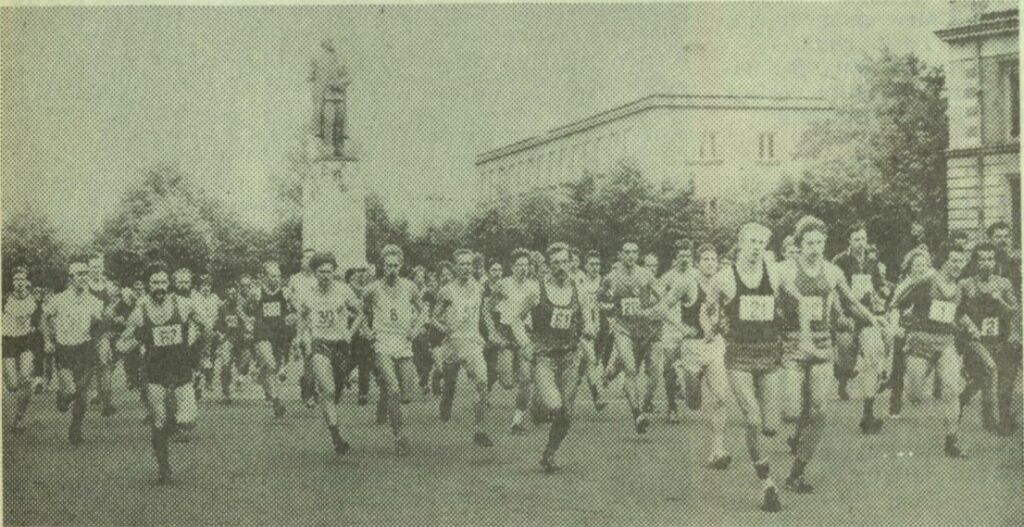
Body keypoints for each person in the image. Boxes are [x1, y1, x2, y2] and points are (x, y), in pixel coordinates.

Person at [777, 216, 883, 494]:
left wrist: (873, 318)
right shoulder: (786, 270)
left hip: (823, 344)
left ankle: (796, 473)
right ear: (799, 245)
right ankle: (798, 429)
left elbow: (850, 300)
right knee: (791, 411)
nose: (815, 248)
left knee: (820, 411)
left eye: (820, 242)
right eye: (809, 243)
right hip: (793, 343)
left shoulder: (832, 271)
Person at [703, 223, 783, 513]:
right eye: (751, 241)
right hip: (738, 356)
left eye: (762, 241)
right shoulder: (724, 277)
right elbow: (708, 307)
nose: (756, 246)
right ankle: (767, 484)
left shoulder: (775, 272)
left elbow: (794, 295)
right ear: (740, 242)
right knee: (752, 417)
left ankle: (765, 463)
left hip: (769, 354)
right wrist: (710, 328)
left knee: (771, 426)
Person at [118, 261, 209, 484]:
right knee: (158, 421)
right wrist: (136, 339)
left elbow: (207, 327)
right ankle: (164, 467)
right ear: (148, 285)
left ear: (169, 283)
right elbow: (122, 344)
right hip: (154, 370)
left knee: (187, 421)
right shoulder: (140, 311)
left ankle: (174, 421)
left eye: (162, 281)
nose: (159, 286)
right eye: (154, 282)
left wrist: (198, 348)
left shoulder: (184, 305)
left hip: (180, 368)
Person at [889, 242, 974, 458]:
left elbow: (959, 313)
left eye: (961, 260)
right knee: (914, 395)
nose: (957, 265)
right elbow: (897, 302)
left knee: (951, 389)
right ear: (943, 261)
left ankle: (951, 441)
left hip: (945, 341)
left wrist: (970, 325)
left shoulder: (961, 287)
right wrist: (895, 324)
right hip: (920, 340)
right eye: (953, 260)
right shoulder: (927, 281)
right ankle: (913, 385)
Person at [517, 243, 590, 472]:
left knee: (566, 413)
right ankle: (538, 403)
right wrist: (525, 343)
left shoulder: (580, 289)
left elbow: (588, 317)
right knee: (555, 405)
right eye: (555, 262)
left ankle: (549, 453)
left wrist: (589, 327)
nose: (560, 266)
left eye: (564, 261)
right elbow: (514, 318)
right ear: (549, 266)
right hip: (545, 357)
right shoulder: (536, 290)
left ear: (571, 263)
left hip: (569, 357)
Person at [296, 252, 363, 455]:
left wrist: (350, 334)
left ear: (334, 272)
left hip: (341, 346)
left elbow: (360, 312)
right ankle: (336, 437)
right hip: (320, 344)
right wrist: (301, 338)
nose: (326, 275)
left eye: (329, 271)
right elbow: (303, 317)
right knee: (328, 390)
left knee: (337, 391)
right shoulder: (308, 293)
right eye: (321, 272)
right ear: (314, 273)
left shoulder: (344, 290)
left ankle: (331, 418)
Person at [362, 245, 425, 456]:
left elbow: (424, 310)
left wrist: (415, 330)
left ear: (401, 265)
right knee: (394, 389)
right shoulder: (372, 288)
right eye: (388, 265)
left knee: (406, 395)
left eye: (395, 265)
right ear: (382, 266)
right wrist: (366, 331)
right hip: (382, 342)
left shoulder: (410, 287)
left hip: (403, 342)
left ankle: (385, 402)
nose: (392, 269)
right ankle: (399, 436)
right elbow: (358, 313)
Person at [431, 248, 495, 448]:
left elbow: (483, 312)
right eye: (462, 264)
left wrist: (489, 332)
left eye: (469, 264)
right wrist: (445, 329)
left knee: (482, 382)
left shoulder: (478, 287)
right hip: (452, 343)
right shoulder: (447, 290)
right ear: (455, 267)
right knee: (449, 383)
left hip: (472, 342)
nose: (466, 268)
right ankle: (442, 393)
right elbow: (433, 317)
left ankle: (480, 430)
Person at [598, 242, 663, 434]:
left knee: (626, 367)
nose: (631, 256)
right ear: (620, 255)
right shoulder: (611, 277)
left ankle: (607, 374)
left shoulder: (646, 275)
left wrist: (651, 308)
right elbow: (600, 300)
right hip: (623, 329)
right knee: (630, 368)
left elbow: (663, 298)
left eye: (635, 252)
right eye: (627, 252)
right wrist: (611, 311)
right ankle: (638, 414)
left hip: (644, 331)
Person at [831, 225, 889, 433]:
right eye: (856, 239)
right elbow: (834, 291)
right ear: (849, 241)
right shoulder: (840, 261)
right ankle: (843, 378)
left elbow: (878, 284)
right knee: (848, 361)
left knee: (873, 357)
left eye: (863, 238)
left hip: (867, 316)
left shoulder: (872, 262)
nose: (860, 243)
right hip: (847, 317)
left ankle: (868, 414)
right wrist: (840, 314)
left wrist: (883, 290)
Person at [41, 259, 105, 446]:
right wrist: (47, 340)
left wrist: (101, 340)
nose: (83, 277)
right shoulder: (59, 299)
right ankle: (62, 396)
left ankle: (75, 427)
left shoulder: (94, 301)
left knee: (82, 394)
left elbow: (99, 326)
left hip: (84, 349)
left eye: (86, 273)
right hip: (64, 349)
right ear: (71, 277)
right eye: (79, 274)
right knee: (70, 390)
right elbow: (44, 319)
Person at [959, 242, 1020, 436]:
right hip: (974, 340)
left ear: (995, 261)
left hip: (997, 339)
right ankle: (965, 403)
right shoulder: (966, 284)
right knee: (982, 377)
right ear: (975, 262)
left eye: (990, 259)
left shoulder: (1003, 283)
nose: (987, 263)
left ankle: (992, 419)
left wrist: (1000, 300)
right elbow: (957, 311)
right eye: (982, 259)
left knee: (993, 379)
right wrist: (967, 327)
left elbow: (1014, 312)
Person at [490, 248, 540, 434]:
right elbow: (487, 309)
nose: (523, 269)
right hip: (507, 332)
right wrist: (493, 333)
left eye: (526, 265)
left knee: (525, 379)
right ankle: (499, 370)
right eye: (519, 265)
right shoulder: (503, 285)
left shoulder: (535, 286)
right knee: (507, 383)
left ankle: (517, 420)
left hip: (526, 334)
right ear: (512, 267)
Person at [649, 240, 694, 423]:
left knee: (692, 368)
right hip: (671, 328)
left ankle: (683, 386)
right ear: (675, 258)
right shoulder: (668, 278)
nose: (685, 259)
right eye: (681, 256)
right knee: (668, 368)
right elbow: (656, 302)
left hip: (691, 330)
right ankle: (672, 407)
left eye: (688, 255)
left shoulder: (696, 276)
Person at [251, 262, 292, 418]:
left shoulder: (285, 292)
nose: (276, 279)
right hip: (262, 333)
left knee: (270, 369)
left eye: (278, 275)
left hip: (279, 334)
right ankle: (276, 402)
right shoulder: (257, 292)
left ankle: (260, 377)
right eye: (272, 275)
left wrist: (291, 316)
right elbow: (241, 307)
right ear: (264, 277)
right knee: (271, 364)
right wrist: (248, 320)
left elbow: (295, 309)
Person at [4, 266, 42, 433]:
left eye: (22, 279)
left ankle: (19, 418)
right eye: (16, 279)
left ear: (27, 281)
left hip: (26, 342)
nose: (19, 282)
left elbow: (38, 325)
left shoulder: (34, 300)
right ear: (12, 282)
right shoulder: (4, 299)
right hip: (8, 342)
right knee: (12, 385)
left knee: (25, 379)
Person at [86, 253, 119, 417]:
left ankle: (107, 403)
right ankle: (95, 392)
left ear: (103, 268)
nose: (96, 270)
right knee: (90, 366)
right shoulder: (84, 286)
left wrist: (110, 314)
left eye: (98, 267)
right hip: (84, 331)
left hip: (103, 332)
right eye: (93, 267)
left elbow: (114, 306)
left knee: (105, 364)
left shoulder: (109, 286)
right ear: (88, 268)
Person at [576, 250, 607, 411]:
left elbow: (612, 305)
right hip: (583, 329)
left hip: (601, 329)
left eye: (597, 264)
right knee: (591, 359)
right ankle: (598, 396)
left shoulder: (604, 283)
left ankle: (568, 398)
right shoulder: (579, 283)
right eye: (592, 264)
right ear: (585, 266)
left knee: (584, 367)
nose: (595, 267)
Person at [213, 285, 250, 404]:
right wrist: (220, 334)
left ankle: (241, 376)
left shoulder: (243, 305)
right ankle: (225, 393)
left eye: (234, 294)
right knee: (226, 364)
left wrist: (247, 330)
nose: (232, 297)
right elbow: (217, 325)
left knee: (246, 358)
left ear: (237, 294)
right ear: (226, 295)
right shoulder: (223, 307)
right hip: (228, 339)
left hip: (242, 339)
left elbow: (250, 322)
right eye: (229, 294)